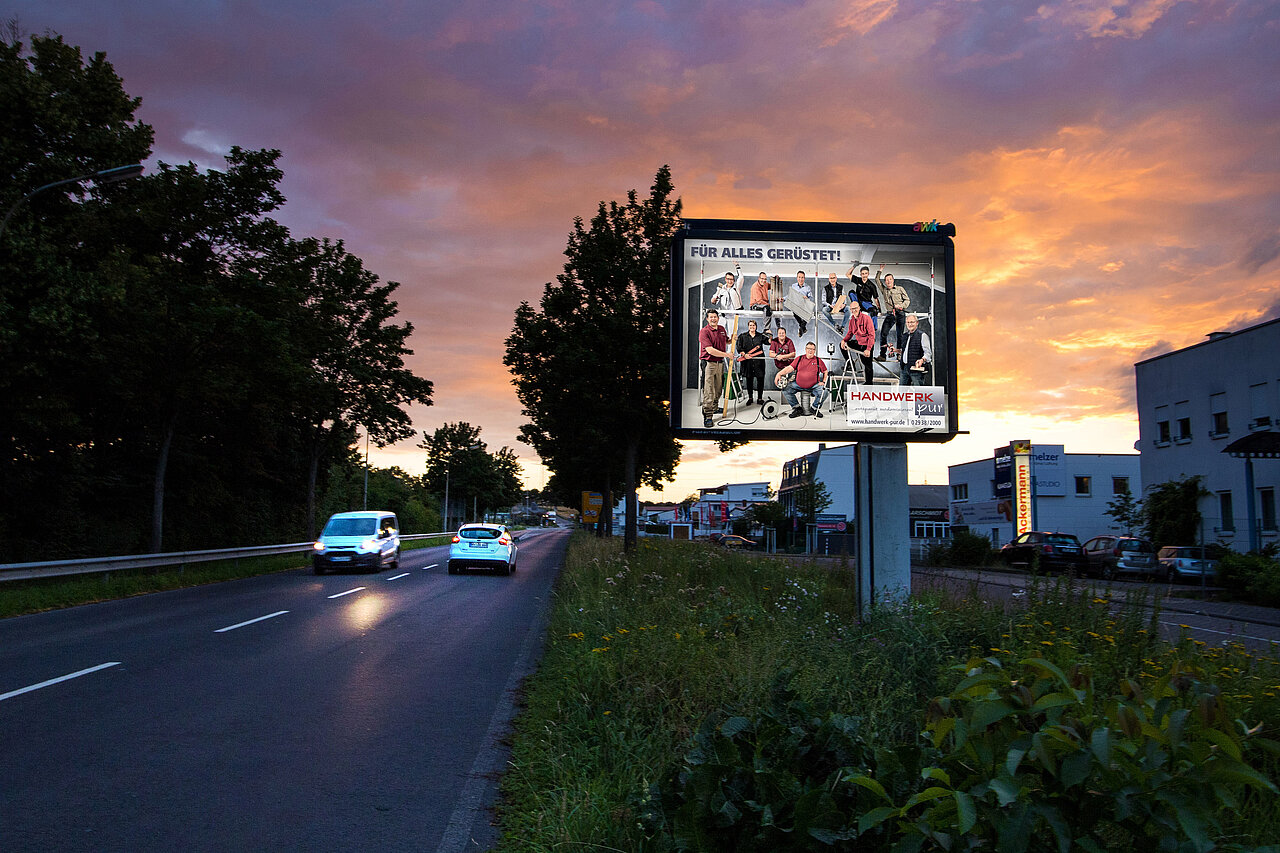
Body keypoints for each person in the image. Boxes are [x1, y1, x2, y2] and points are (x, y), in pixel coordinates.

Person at [777, 341, 828, 418]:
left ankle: (814, 408)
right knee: (785, 389)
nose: (810, 350)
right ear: (805, 349)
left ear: (815, 351)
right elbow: (790, 368)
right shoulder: (799, 358)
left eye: (812, 349)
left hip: (814, 385)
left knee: (825, 392)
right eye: (808, 348)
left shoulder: (818, 360)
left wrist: (823, 381)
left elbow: (825, 371)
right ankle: (797, 408)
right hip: (798, 384)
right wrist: (779, 374)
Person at [699, 308, 730, 427]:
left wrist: (732, 340)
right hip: (709, 363)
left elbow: (725, 341)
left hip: (720, 363)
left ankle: (715, 408)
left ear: (718, 318)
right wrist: (727, 355)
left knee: (718, 388)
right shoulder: (704, 332)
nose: (713, 319)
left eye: (715, 317)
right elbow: (710, 350)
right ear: (707, 319)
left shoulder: (721, 329)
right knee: (709, 390)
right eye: (711, 317)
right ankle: (708, 416)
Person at [840, 301, 876, 384]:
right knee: (842, 345)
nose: (854, 310)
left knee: (867, 365)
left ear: (859, 308)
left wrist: (868, 349)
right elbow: (850, 333)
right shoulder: (852, 320)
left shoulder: (866, 318)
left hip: (867, 344)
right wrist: (844, 340)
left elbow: (871, 335)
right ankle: (850, 364)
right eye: (852, 309)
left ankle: (869, 384)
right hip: (859, 343)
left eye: (855, 308)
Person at [877, 265, 910, 357]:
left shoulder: (900, 289)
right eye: (886, 280)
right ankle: (882, 355)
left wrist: (901, 306)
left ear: (893, 280)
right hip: (890, 315)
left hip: (900, 314)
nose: (888, 281)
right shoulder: (884, 290)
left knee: (900, 335)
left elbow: (907, 300)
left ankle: (899, 354)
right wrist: (880, 270)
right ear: (885, 282)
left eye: (890, 279)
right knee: (883, 334)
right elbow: (877, 280)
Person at [735, 319, 768, 405]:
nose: (752, 327)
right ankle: (750, 398)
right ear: (748, 326)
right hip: (747, 362)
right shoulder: (742, 336)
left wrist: (770, 335)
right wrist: (744, 354)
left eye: (753, 325)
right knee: (749, 379)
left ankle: (760, 398)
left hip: (759, 362)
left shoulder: (761, 336)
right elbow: (739, 347)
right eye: (750, 325)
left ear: (756, 326)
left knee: (760, 380)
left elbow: (768, 342)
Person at [896, 313, 933, 386]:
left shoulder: (922, 335)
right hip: (904, 368)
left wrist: (922, 360)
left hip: (916, 369)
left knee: (918, 390)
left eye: (912, 322)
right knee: (902, 392)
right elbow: (906, 351)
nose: (910, 324)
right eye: (908, 322)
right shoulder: (905, 336)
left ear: (917, 323)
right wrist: (896, 350)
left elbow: (928, 353)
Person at [747, 271, 780, 335]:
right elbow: (759, 301)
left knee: (775, 307)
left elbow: (772, 286)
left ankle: (779, 327)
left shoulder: (765, 284)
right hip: (755, 305)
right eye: (762, 279)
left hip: (764, 304)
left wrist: (776, 280)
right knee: (767, 308)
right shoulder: (755, 287)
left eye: (765, 279)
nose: (764, 280)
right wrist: (769, 305)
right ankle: (766, 329)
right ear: (759, 278)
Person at [789, 270, 815, 336]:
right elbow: (790, 295)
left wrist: (807, 298)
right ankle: (803, 328)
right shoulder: (793, 286)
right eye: (799, 277)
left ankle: (802, 328)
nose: (801, 279)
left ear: (804, 278)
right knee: (794, 310)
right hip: (796, 305)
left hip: (805, 305)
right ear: (797, 278)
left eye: (802, 277)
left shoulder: (807, 287)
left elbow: (811, 298)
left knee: (809, 312)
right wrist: (783, 299)